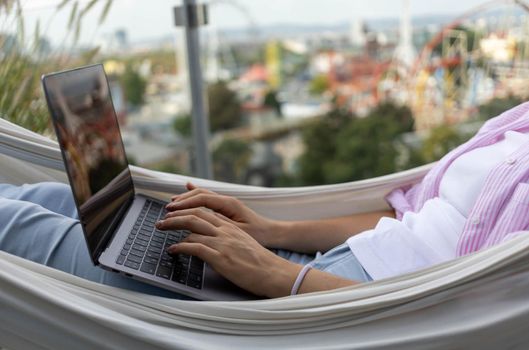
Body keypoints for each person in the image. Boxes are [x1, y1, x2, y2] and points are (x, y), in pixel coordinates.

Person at [0, 102, 528, 299]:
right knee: (47, 195)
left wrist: (279, 279)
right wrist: (266, 232)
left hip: (339, 311)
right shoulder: (518, 123)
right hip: (318, 271)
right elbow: (404, 213)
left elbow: (477, 317)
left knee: (18, 226)